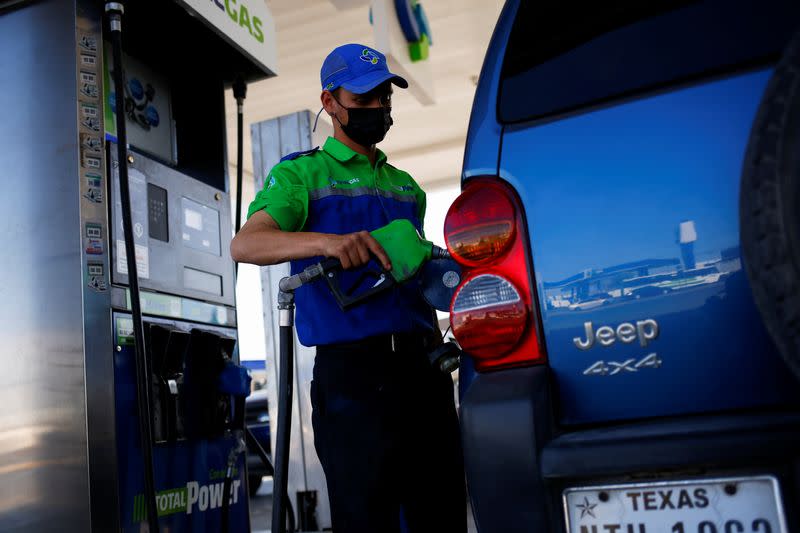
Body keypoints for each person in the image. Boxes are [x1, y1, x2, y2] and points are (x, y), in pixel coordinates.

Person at [231, 43, 466, 533]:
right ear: (330, 102)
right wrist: (331, 243)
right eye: (363, 98)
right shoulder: (302, 174)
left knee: (440, 513)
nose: (377, 108)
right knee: (367, 518)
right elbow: (247, 244)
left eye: (384, 97)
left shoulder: (406, 186)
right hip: (355, 379)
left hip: (424, 370)